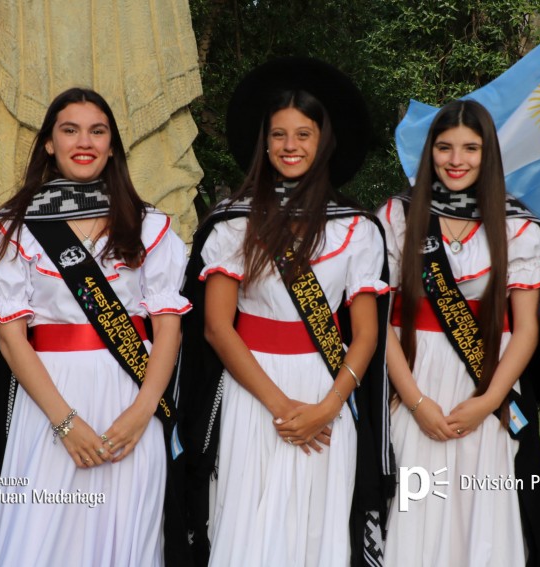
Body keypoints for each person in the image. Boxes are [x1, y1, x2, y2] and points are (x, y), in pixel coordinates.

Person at [180, 57, 395, 566]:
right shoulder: (234, 223)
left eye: (303, 133)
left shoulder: (356, 227)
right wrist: (281, 406)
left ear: (324, 140)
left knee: (317, 524)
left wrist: (327, 407)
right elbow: (216, 327)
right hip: (253, 392)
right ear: (264, 142)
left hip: (329, 393)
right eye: (279, 134)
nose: (290, 146)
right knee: (248, 520)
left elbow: (364, 334)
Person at [0, 87, 190, 566]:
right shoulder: (13, 228)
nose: (83, 141)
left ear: (112, 145)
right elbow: (11, 339)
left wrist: (144, 410)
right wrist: (65, 424)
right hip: (49, 406)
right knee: (41, 540)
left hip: (132, 401)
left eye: (97, 130)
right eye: (69, 130)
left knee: (129, 539)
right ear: (49, 143)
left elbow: (167, 327)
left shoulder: (149, 226)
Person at [380, 99, 540, 565]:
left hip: (486, 387)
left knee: (482, 513)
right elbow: (380, 321)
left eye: (471, 148)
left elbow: (527, 328)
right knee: (415, 509)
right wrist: (414, 399)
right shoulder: (397, 216)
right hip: (414, 386)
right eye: (445, 147)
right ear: (429, 151)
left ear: (488, 153)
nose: (457, 160)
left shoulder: (518, 226)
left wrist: (489, 401)